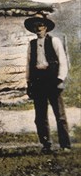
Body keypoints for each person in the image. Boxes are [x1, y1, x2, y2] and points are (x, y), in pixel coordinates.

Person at [25, 13, 71, 153]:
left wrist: (59, 79)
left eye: (40, 25)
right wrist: (29, 83)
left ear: (45, 27)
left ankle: (65, 145)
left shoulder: (54, 41)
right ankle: (46, 144)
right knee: (40, 116)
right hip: (38, 81)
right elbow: (28, 65)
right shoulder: (31, 45)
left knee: (60, 115)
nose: (38, 28)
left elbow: (63, 62)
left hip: (52, 80)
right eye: (35, 26)